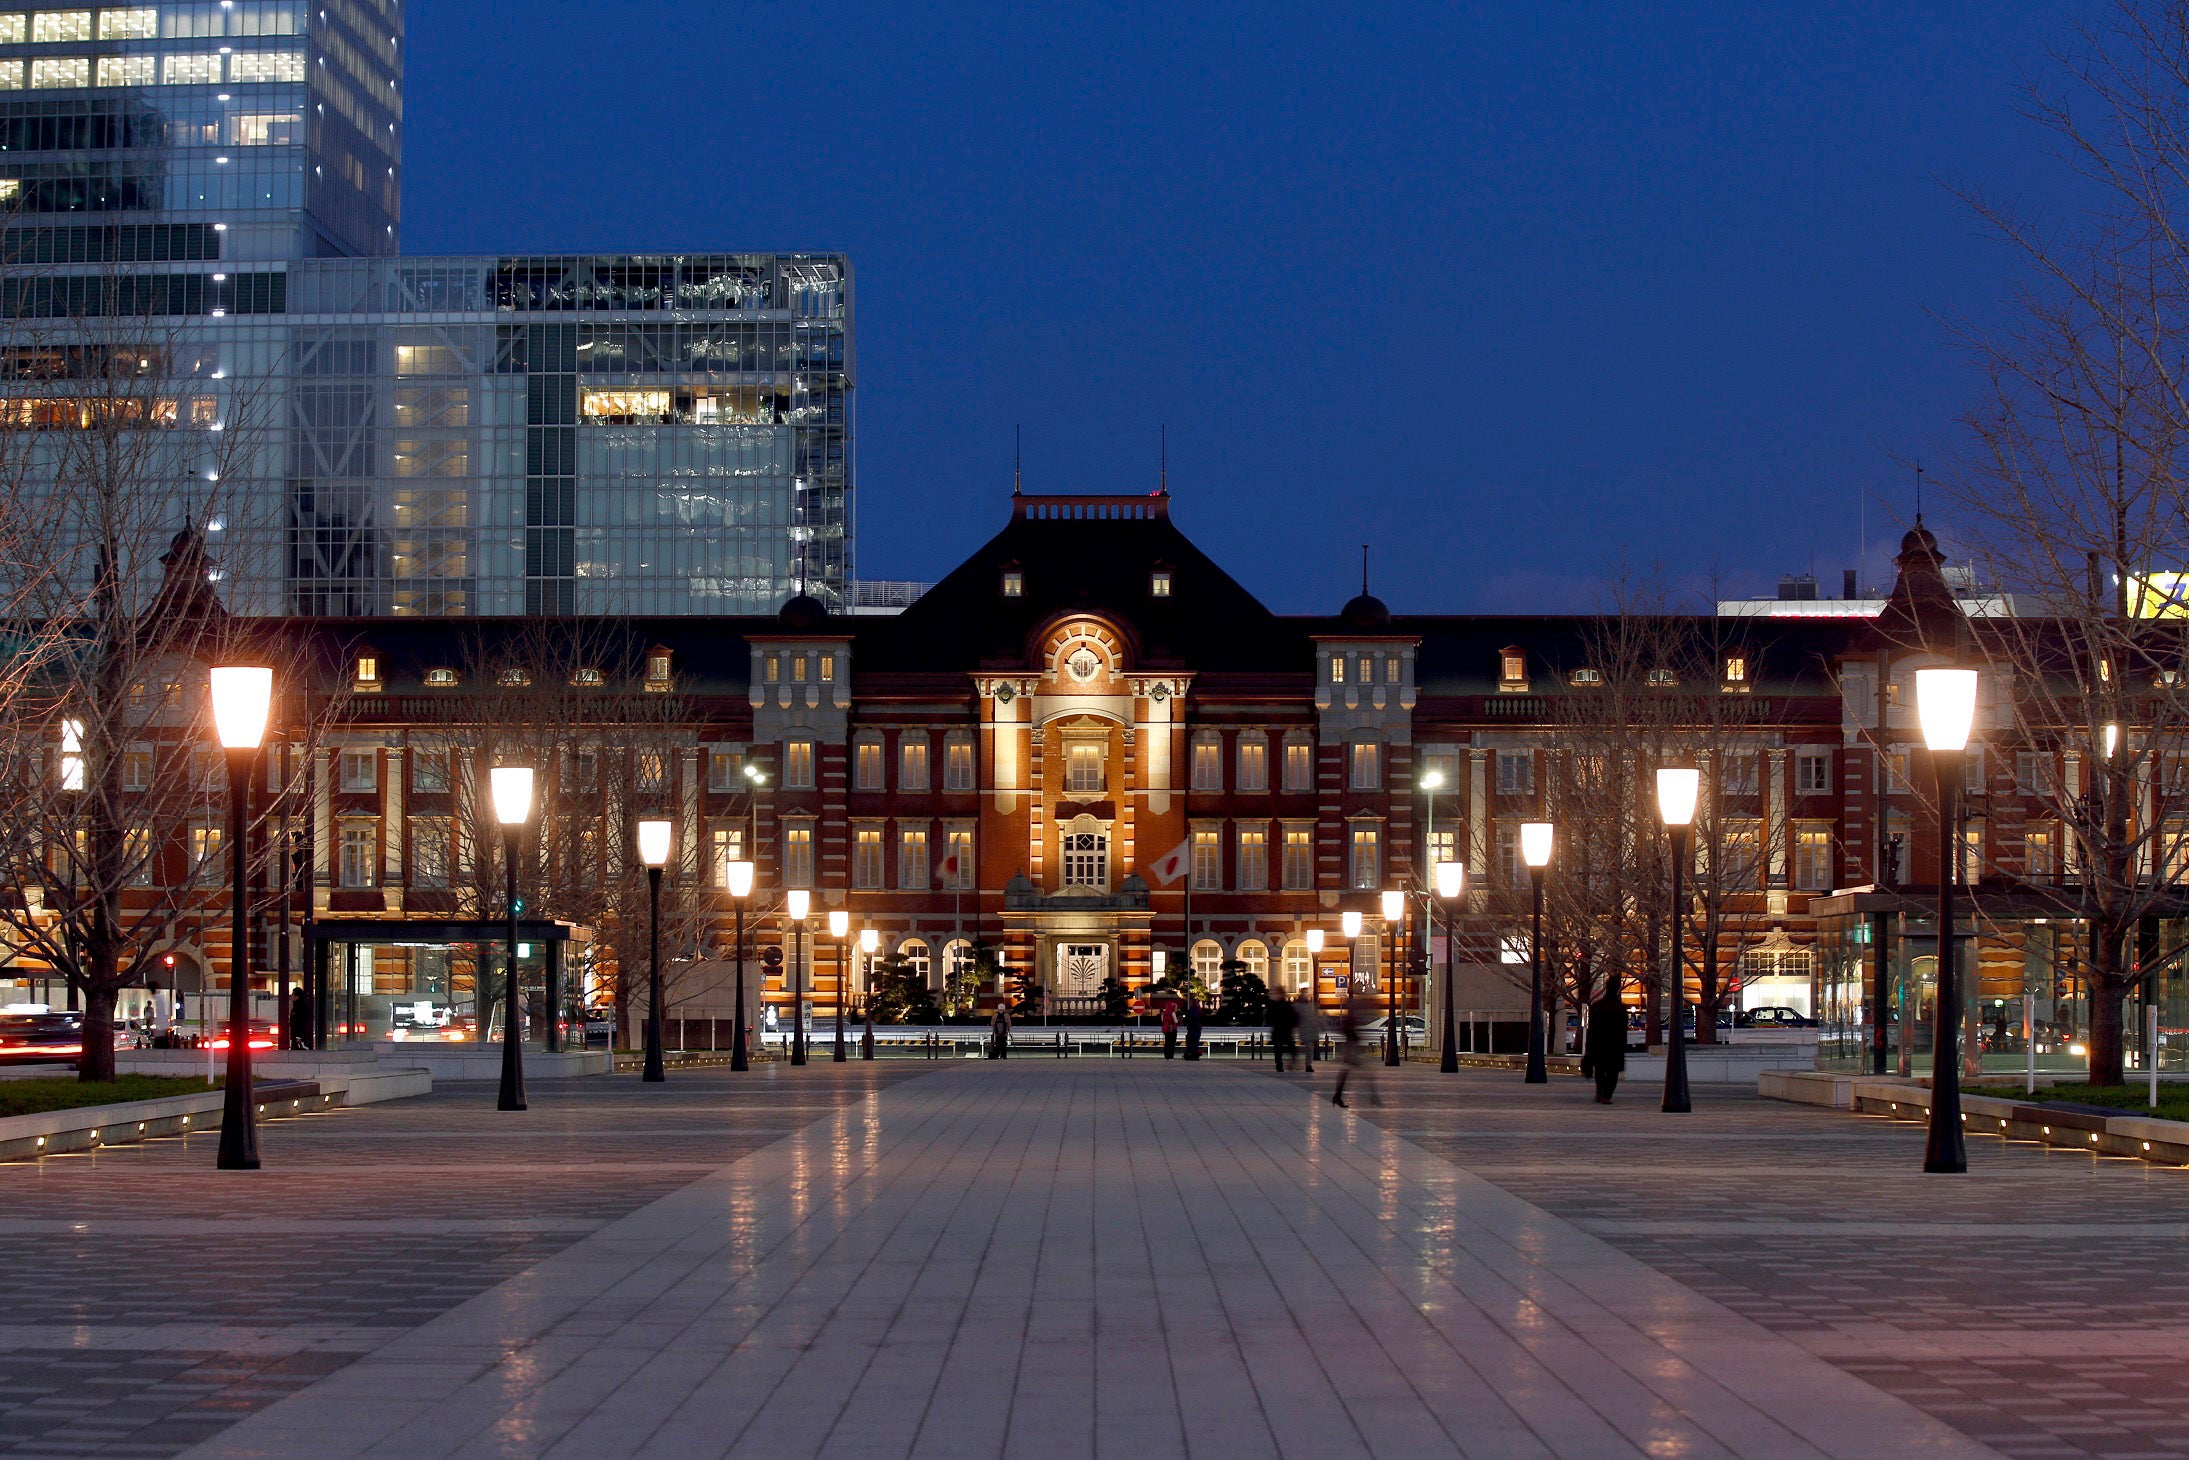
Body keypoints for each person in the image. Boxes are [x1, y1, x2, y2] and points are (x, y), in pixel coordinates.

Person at [1330, 987, 1378, 1107]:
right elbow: (1350, 1029)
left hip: (1351, 1046)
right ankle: (1374, 1096)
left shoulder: (1351, 1008)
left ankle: (1337, 1096)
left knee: (1347, 1072)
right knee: (1365, 1072)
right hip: (1352, 1047)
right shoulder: (1353, 1008)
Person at [1580, 992, 1627, 1104]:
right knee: (1613, 1073)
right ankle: (1606, 1095)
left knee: (1600, 1070)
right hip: (1615, 1046)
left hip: (1599, 1045)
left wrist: (1589, 1047)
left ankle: (1600, 1093)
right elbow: (1623, 1031)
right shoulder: (1620, 1008)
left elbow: (1591, 1029)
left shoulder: (1597, 1006)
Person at [1269, 991, 1299, 1071]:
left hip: (1279, 1030)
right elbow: (1294, 1017)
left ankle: (1279, 1065)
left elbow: (1269, 1018)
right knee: (1290, 1048)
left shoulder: (1275, 1006)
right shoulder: (1288, 1005)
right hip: (1286, 1030)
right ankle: (1286, 1064)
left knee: (1278, 1050)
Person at [1295, 992, 1319, 1073]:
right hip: (1308, 1031)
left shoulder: (1299, 1006)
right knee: (1309, 1049)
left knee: (1309, 1048)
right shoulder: (1308, 1007)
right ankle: (1308, 1065)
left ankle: (1307, 1065)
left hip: (1305, 1030)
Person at [1184, 996, 1204, 1061]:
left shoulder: (1189, 1011)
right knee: (1195, 1042)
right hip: (1197, 1028)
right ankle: (1194, 1055)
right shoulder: (1198, 1011)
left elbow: (1186, 1020)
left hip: (1190, 1028)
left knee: (1190, 1042)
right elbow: (1201, 1019)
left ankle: (1189, 1054)